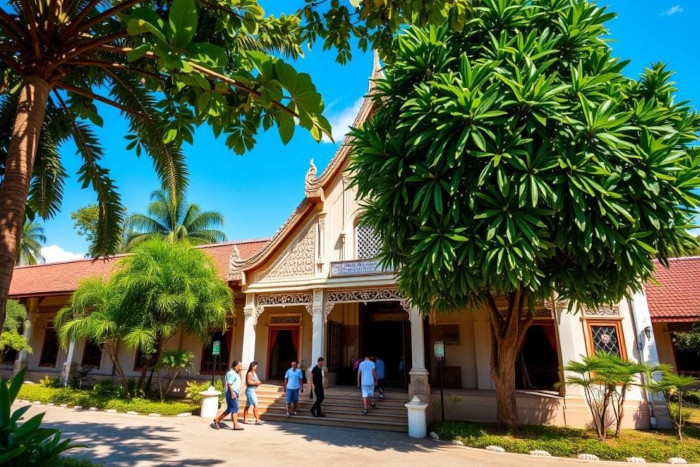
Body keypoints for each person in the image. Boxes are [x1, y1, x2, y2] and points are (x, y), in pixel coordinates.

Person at [214, 361, 244, 431]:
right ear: (236, 366)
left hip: (234, 393)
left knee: (229, 409)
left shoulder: (236, 373)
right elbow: (229, 384)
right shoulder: (231, 373)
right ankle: (236, 425)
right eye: (240, 366)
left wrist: (240, 372)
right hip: (231, 393)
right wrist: (233, 393)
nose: (241, 367)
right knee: (235, 408)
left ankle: (217, 420)